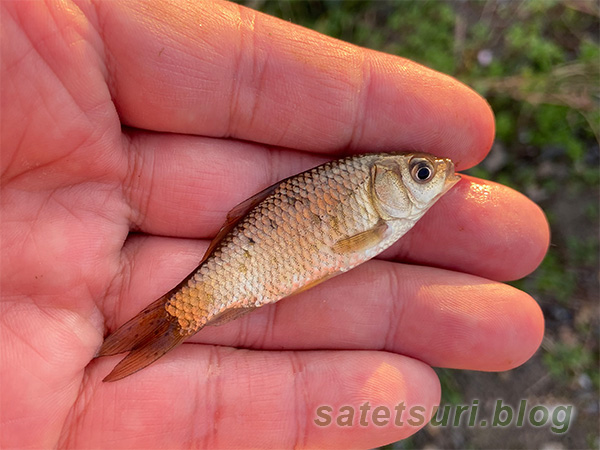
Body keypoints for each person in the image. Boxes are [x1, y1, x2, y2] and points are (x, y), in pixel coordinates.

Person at [1, 1, 549, 448]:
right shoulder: (374, 206)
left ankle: (152, 332)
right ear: (384, 182)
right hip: (256, 256)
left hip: (264, 255)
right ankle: (162, 326)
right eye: (422, 173)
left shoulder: (382, 211)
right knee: (198, 303)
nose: (433, 178)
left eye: (422, 173)